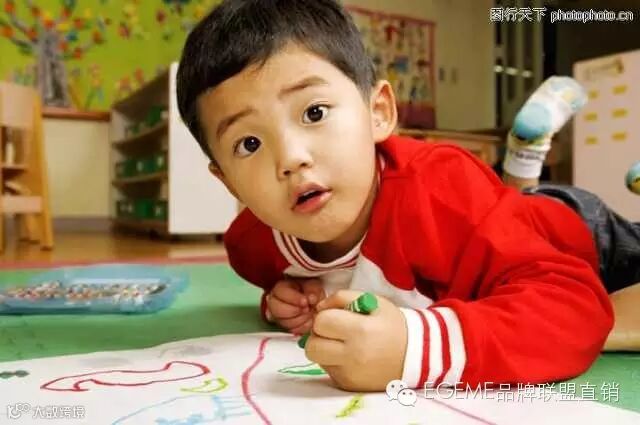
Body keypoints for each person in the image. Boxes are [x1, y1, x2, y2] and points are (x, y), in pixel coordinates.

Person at [176, 0, 639, 392]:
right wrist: (282, 302)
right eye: (249, 144)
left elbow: (576, 309)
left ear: (378, 113)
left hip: (579, 234)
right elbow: (277, 282)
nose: (291, 158)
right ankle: (520, 167)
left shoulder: (440, 189)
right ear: (228, 181)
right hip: (491, 222)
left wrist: (413, 349)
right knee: (496, 211)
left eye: (314, 112)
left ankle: (523, 169)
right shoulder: (251, 246)